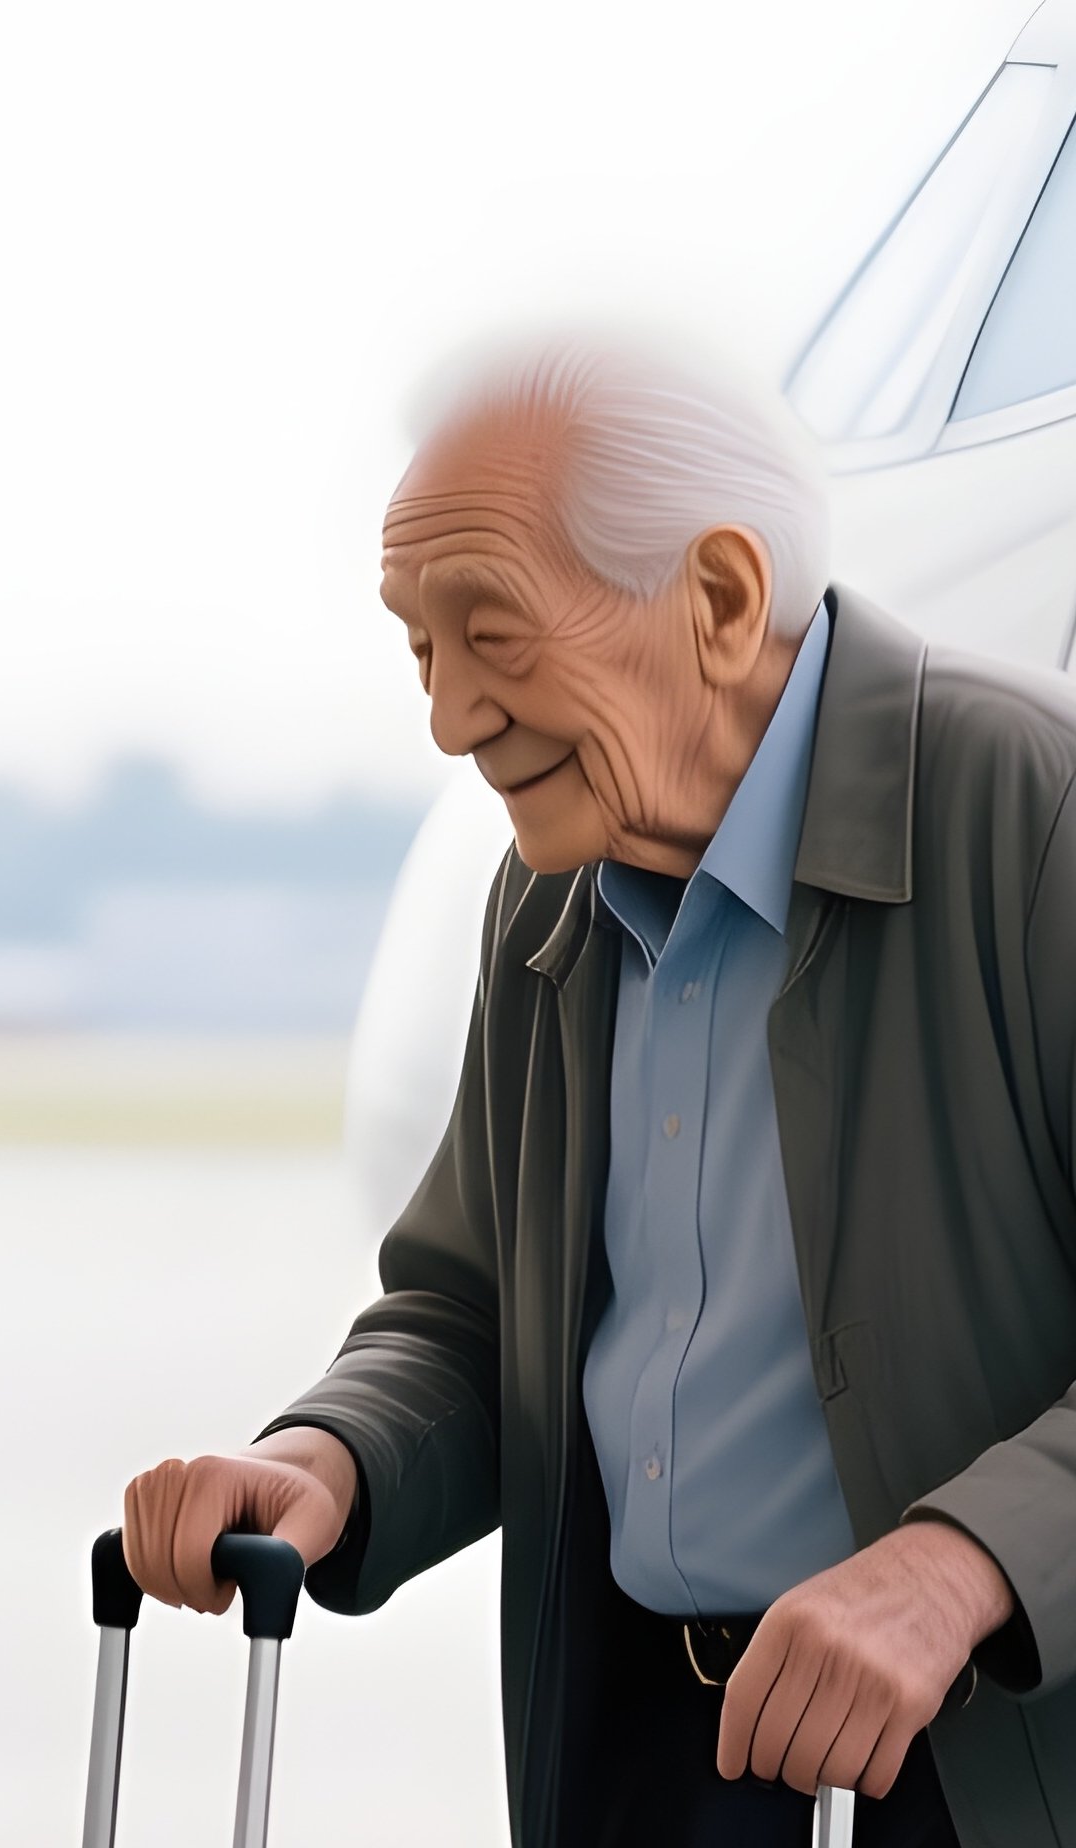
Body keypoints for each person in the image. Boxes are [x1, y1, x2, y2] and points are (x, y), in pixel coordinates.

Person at [120, 335, 1076, 1847]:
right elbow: (472, 1309)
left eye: (490, 633)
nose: (448, 718)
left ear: (718, 599)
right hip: (638, 1745)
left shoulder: (1033, 813)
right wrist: (328, 1452)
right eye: (418, 647)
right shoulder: (550, 895)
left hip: (959, 1765)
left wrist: (958, 1562)